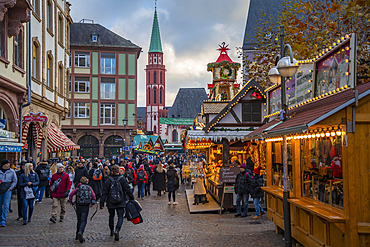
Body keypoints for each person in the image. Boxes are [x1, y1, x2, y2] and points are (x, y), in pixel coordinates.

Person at [100, 165, 134, 241]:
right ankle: (117, 229)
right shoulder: (123, 180)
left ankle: (111, 230)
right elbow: (128, 190)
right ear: (119, 171)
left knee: (111, 216)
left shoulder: (108, 180)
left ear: (111, 172)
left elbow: (104, 192)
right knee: (120, 216)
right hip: (121, 200)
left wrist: (101, 202)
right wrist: (131, 198)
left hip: (110, 201)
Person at [69, 176, 96, 243]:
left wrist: (71, 202)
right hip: (86, 205)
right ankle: (81, 232)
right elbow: (94, 196)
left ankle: (77, 235)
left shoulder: (78, 188)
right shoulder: (89, 188)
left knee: (79, 219)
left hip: (78, 205)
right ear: (87, 182)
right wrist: (92, 202)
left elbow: (71, 194)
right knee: (84, 220)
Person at [0, 159, 17, 226]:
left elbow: (15, 181)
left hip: (7, 190)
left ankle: (3, 220)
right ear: (4, 165)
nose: (8, 165)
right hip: (0, 190)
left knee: (6, 206)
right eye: (7, 164)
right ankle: (0, 218)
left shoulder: (12, 172)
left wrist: (10, 188)